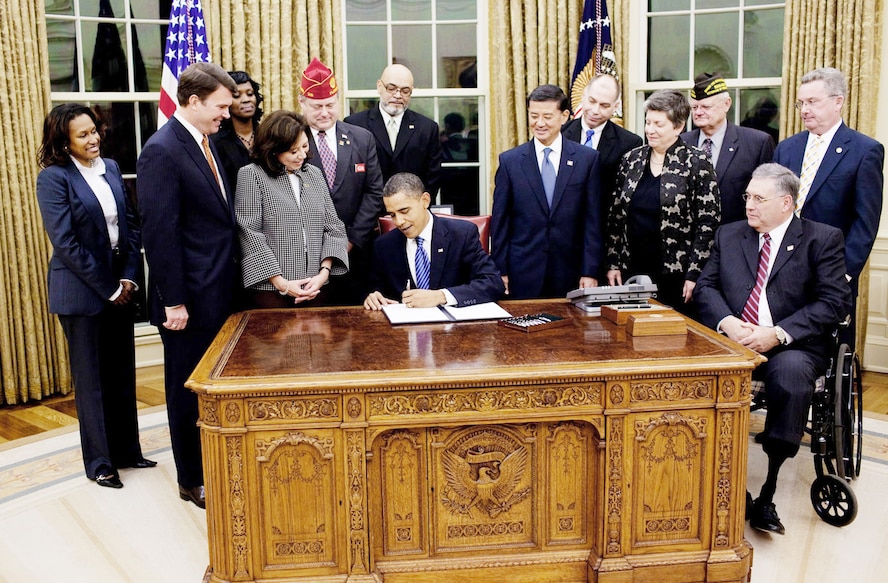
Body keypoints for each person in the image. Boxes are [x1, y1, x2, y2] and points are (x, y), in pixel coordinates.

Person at [695, 163, 851, 534]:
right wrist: (728, 323)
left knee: (791, 377)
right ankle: (705, 474)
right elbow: (705, 288)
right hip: (732, 341)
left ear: (786, 203)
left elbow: (833, 302)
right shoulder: (729, 235)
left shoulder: (821, 238)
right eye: (747, 196)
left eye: (758, 199)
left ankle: (769, 489)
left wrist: (777, 333)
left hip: (791, 346)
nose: (749, 204)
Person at [137, 62, 240, 509]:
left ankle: (215, 462)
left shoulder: (206, 143)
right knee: (186, 389)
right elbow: (160, 232)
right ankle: (191, 478)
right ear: (194, 101)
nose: (225, 115)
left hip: (220, 289)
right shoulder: (162, 150)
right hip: (189, 301)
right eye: (220, 107)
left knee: (213, 385)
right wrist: (174, 301)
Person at [36, 104, 155, 489]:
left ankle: (128, 451)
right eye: (83, 135)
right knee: (91, 380)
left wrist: (130, 278)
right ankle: (101, 463)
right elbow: (66, 243)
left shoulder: (113, 168)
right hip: (83, 294)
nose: (94, 139)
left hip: (120, 286)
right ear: (64, 142)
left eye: (95, 131)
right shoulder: (53, 179)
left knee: (121, 373)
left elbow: (131, 225)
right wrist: (108, 287)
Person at [773, 67, 884, 345]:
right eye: (801, 103)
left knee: (828, 351)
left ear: (838, 101)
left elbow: (865, 221)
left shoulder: (864, 150)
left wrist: (843, 273)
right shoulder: (786, 149)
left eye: (813, 102)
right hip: (783, 271)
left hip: (831, 272)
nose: (804, 110)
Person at [606, 89, 720, 315]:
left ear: (678, 127)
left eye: (658, 124)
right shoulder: (632, 159)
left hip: (676, 275)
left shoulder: (697, 162)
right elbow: (616, 217)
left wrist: (694, 274)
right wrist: (613, 263)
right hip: (632, 270)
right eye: (648, 122)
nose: (650, 130)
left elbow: (707, 225)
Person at [491, 84, 602, 299]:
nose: (539, 123)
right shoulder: (510, 161)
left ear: (564, 116)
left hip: (571, 272)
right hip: (522, 272)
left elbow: (592, 222)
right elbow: (501, 223)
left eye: (547, 117)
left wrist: (590, 270)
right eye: (534, 116)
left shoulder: (587, 160)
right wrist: (500, 270)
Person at [236, 110, 349, 308]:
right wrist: (282, 284)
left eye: (304, 146)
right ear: (272, 149)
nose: (302, 156)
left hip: (317, 288)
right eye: (293, 151)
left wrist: (324, 273)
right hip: (270, 292)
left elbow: (334, 227)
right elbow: (249, 233)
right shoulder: (252, 175)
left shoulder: (313, 174)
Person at [298, 57, 383, 305]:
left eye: (330, 104)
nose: (325, 112)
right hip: (307, 256)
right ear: (302, 103)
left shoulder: (361, 138)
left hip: (357, 253)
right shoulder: (290, 140)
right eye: (316, 106)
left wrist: (351, 240)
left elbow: (374, 192)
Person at [364, 173, 503, 310]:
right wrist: (373, 297)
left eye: (404, 211)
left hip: (455, 328)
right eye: (392, 215)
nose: (399, 222)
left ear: (425, 200)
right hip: (404, 329)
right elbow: (375, 289)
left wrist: (441, 296)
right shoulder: (384, 245)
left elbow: (493, 283)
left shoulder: (461, 235)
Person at [681, 72, 775, 225]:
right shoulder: (681, 143)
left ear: (726, 104)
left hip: (736, 239)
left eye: (706, 106)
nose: (698, 112)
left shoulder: (757, 143)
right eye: (695, 107)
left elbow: (767, 198)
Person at [344, 63, 444, 198]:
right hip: (368, 213)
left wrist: (416, 208)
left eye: (405, 91)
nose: (398, 95)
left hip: (412, 212)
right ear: (379, 86)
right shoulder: (354, 125)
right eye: (391, 88)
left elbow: (432, 177)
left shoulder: (427, 128)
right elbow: (350, 177)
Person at [561, 74, 643, 214]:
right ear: (583, 96)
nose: (595, 110)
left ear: (615, 106)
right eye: (592, 101)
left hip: (604, 225)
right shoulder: (560, 134)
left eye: (604, 105)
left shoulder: (629, 143)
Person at [211, 71, 264, 191]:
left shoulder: (268, 135)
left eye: (250, 94)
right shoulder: (215, 142)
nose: (246, 100)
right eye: (236, 96)